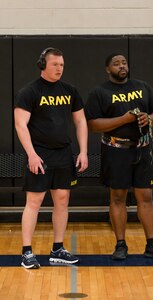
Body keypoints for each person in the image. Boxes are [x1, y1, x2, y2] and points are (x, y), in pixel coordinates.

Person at [85, 53, 153, 260]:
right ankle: (120, 245)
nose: (121, 66)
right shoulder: (100, 92)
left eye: (124, 63)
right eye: (116, 64)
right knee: (117, 197)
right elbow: (93, 125)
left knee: (146, 197)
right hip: (115, 150)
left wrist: (147, 118)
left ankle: (151, 244)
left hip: (141, 149)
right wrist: (123, 120)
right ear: (108, 69)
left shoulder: (142, 86)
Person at [14, 47, 88, 269]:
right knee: (34, 201)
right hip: (40, 154)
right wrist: (32, 155)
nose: (59, 69)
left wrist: (83, 151)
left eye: (62, 65)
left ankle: (57, 249)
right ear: (42, 65)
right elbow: (20, 124)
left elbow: (81, 121)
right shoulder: (29, 92)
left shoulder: (70, 90)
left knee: (62, 200)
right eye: (55, 64)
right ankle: (27, 252)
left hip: (64, 154)